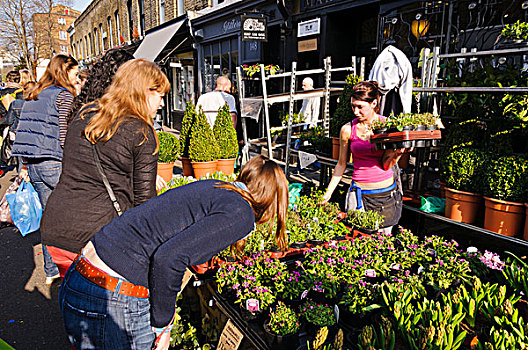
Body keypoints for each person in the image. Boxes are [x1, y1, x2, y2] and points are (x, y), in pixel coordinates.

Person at [59, 155, 288, 350]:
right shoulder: (241, 212)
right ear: (273, 200)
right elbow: (169, 258)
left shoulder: (215, 187)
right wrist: (163, 325)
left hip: (81, 275)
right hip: (112, 293)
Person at [40, 58, 168, 277]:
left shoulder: (83, 116)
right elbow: (145, 205)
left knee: (74, 296)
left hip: (57, 227)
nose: (162, 104)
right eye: (160, 95)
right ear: (143, 92)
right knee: (103, 306)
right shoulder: (141, 132)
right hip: (97, 238)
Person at [11, 54, 79, 284]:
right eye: (74, 73)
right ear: (65, 71)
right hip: (56, 163)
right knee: (73, 218)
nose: (76, 77)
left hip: (35, 166)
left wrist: (25, 166)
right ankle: (75, 270)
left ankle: (51, 270)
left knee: (49, 220)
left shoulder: (34, 94)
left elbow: (25, 133)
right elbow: (64, 135)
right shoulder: (63, 95)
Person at [321, 81, 408, 233]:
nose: (355, 111)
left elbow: (387, 164)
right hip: (359, 195)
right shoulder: (347, 130)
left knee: (383, 243)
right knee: (357, 238)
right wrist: (328, 193)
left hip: (385, 195)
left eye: (360, 107)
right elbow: (341, 164)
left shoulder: (388, 127)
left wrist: (398, 153)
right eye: (353, 106)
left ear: (374, 103)